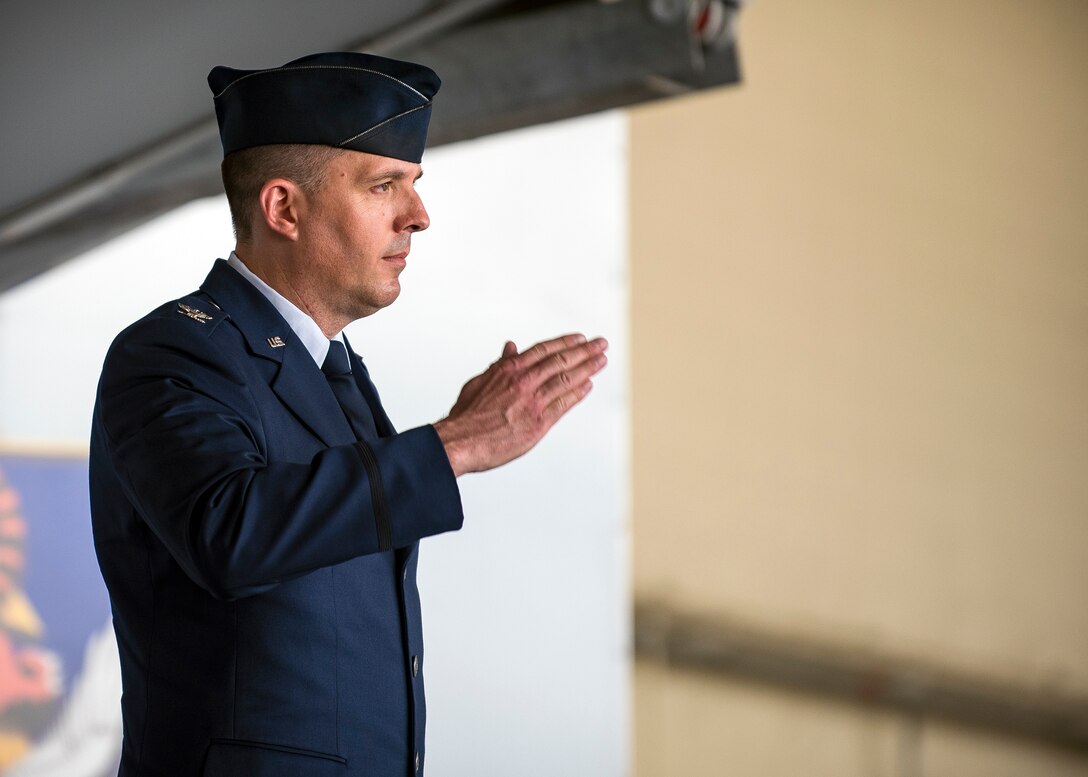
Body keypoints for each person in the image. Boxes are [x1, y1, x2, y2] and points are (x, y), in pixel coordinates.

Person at [89, 51, 607, 777]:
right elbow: (228, 533)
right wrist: (454, 445)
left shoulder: (337, 373)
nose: (418, 216)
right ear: (284, 209)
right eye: (384, 185)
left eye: (414, 185)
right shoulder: (173, 350)